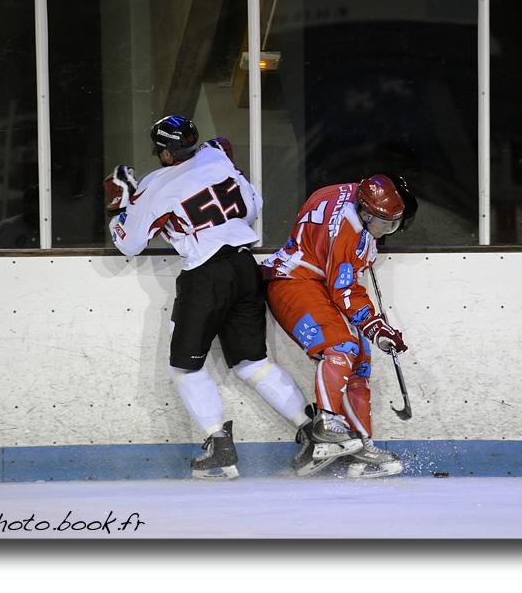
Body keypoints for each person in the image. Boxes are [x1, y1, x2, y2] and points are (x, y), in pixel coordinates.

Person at [104, 115, 361, 480]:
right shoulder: (216, 158)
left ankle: (219, 446)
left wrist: (119, 208)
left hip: (205, 277)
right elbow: (254, 207)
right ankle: (314, 432)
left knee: (185, 368)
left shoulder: (155, 185)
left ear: (164, 153)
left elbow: (129, 244)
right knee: (251, 363)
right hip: (244, 268)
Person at [261, 174, 417, 478]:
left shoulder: (346, 191)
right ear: (365, 213)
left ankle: (362, 448)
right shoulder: (348, 232)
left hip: (317, 280)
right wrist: (375, 326)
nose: (385, 231)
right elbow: (343, 290)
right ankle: (325, 427)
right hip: (293, 282)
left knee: (359, 360)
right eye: (383, 224)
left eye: (392, 224)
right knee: (340, 347)